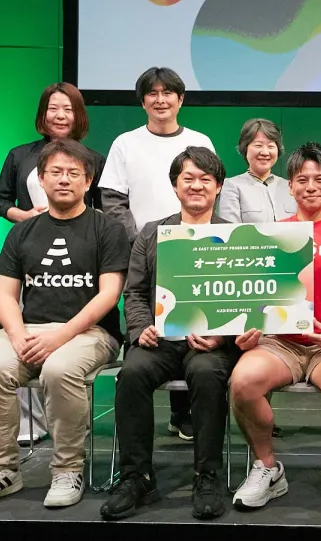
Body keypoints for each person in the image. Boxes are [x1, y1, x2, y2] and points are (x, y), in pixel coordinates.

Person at [0, 140, 128, 510]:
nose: (64, 179)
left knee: (59, 369)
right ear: (41, 178)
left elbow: (108, 295)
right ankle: (2, 470)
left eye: (73, 173)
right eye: (56, 172)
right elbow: (6, 296)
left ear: (88, 181)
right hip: (29, 331)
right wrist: (18, 336)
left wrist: (60, 337)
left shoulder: (107, 229)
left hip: (89, 333)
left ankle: (68, 469)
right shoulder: (22, 231)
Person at [99, 147, 239, 521]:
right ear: (175, 186)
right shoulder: (152, 232)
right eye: (187, 178)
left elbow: (243, 299)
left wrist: (222, 337)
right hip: (159, 340)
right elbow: (134, 291)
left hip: (210, 344)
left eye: (205, 179)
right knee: (131, 373)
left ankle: (206, 475)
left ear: (218, 186)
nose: (196, 186)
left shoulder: (236, 235)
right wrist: (140, 329)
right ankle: (136, 476)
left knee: (207, 374)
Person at [229, 143, 321, 511]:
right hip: (281, 343)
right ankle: (267, 467)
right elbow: (255, 294)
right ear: (290, 186)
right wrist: (251, 326)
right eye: (301, 180)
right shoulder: (271, 234)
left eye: (319, 179)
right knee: (243, 382)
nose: (310, 187)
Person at [99, 67, 215, 442]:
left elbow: (211, 192)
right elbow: (113, 200)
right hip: (144, 251)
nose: (160, 99)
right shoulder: (125, 143)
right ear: (143, 101)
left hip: (195, 252)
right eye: (153, 93)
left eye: (168, 93)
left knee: (194, 332)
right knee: (150, 336)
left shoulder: (199, 140)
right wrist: (144, 243)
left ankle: (183, 415)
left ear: (181, 99)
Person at [0, 83, 107, 446]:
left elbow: (100, 206)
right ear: (42, 114)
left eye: (68, 109)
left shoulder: (93, 158)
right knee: (17, 337)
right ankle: (29, 423)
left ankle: (70, 426)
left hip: (78, 256)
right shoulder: (19, 155)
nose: (60, 115)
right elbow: (0, 201)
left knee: (69, 357)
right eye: (53, 108)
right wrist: (25, 218)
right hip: (30, 251)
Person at [218, 118, 297, 224]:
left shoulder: (290, 187)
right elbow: (230, 230)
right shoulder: (232, 186)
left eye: (270, 146)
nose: (265, 152)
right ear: (245, 148)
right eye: (258, 145)